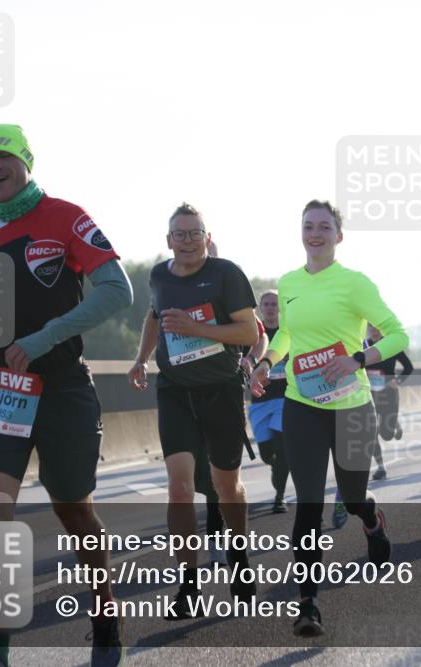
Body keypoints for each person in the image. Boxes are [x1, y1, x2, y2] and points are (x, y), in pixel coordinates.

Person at [0, 125, 132, 667]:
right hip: (1, 388)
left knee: (73, 509)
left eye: (3, 157)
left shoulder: (66, 215)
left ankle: (105, 609)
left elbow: (119, 290)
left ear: (25, 161)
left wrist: (43, 338)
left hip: (64, 388)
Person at [249, 200, 408, 637]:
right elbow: (286, 334)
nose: (314, 233)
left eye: (324, 227)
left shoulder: (354, 284)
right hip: (303, 406)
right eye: (308, 226)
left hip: (352, 406)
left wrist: (358, 359)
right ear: (300, 232)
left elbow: (398, 334)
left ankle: (372, 522)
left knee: (354, 496)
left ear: (339, 236)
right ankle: (308, 603)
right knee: (310, 503)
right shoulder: (289, 283)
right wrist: (267, 363)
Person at [127, 202, 261, 619]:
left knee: (226, 486)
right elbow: (154, 317)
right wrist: (141, 358)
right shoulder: (159, 275)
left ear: (207, 237)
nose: (187, 241)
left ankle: (238, 559)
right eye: (179, 235)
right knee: (180, 487)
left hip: (220, 390)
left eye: (194, 233)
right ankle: (188, 583)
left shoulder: (226, 274)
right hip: (175, 391)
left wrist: (196, 328)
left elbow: (248, 330)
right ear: (168, 241)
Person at [241, 290, 291, 513]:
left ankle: (279, 497)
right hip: (260, 400)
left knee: (282, 449)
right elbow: (242, 363)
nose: (271, 308)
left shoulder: (289, 333)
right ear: (261, 308)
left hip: (285, 399)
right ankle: (281, 466)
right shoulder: (254, 335)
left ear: (280, 308)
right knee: (267, 454)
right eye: (267, 304)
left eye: (274, 304)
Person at [365, 323, 414, 480]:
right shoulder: (363, 347)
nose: (374, 330)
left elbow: (409, 367)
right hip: (369, 394)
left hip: (389, 393)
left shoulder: (391, 346)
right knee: (370, 432)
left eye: (377, 327)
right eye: (371, 327)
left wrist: (397, 381)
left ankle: (395, 424)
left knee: (386, 435)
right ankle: (381, 467)